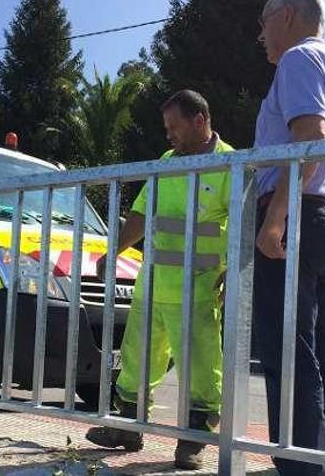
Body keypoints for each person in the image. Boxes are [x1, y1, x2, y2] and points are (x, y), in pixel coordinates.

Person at [84, 90, 233, 470]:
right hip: (153, 284)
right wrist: (112, 252)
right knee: (136, 361)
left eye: (175, 127)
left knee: (201, 368)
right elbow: (140, 215)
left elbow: (241, 229)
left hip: (198, 288)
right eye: (166, 128)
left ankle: (194, 441)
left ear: (200, 121)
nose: (168, 135)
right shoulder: (167, 162)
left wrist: (234, 274)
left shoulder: (231, 164)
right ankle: (127, 429)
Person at [252, 0, 325, 475]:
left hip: (297, 212)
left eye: (264, 22)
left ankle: (301, 469)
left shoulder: (300, 59)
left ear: (289, 16)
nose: (260, 35)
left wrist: (276, 215)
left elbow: (308, 139)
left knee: (287, 349)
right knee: (321, 350)